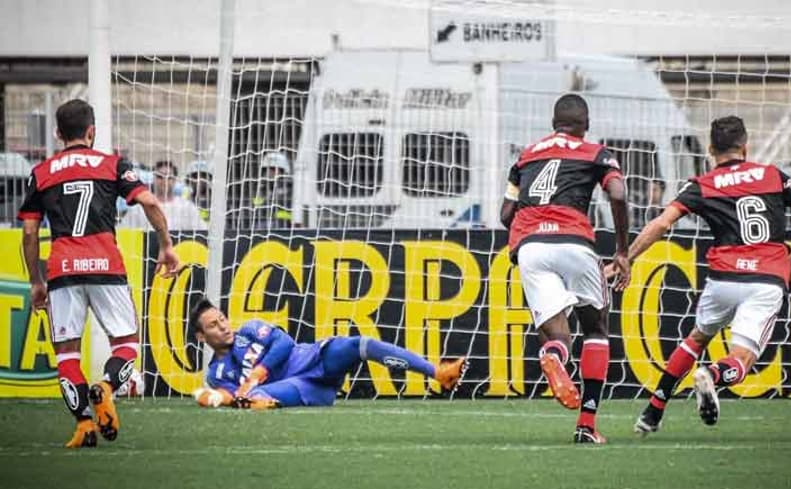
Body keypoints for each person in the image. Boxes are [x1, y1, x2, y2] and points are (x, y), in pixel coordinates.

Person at [616, 116, 791, 434]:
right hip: (765, 280)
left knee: (697, 337)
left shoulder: (702, 184)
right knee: (742, 358)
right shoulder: (774, 176)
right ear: (746, 145)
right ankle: (712, 375)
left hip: (722, 281)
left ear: (711, 149)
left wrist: (625, 257)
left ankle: (652, 412)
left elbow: (660, 224)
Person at [17, 99, 180, 448]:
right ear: (91, 131)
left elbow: (29, 234)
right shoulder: (111, 165)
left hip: (62, 270)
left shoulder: (42, 172)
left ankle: (83, 426)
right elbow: (150, 202)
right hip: (106, 265)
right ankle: (105, 387)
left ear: (58, 133)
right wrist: (166, 245)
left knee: (67, 354)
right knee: (126, 345)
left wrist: (36, 281)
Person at [500, 93, 630, 444]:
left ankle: (552, 355)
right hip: (574, 242)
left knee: (559, 337)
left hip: (530, 246)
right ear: (585, 126)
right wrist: (621, 251)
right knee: (596, 328)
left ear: (553, 124)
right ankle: (586, 425)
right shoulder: (595, 152)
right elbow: (617, 193)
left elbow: (505, 215)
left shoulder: (526, 155)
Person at [188, 299, 467, 408]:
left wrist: (257, 374)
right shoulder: (216, 372)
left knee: (361, 344)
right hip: (302, 386)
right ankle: (262, 406)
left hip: (312, 358)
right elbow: (230, 394)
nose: (223, 325)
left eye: (222, 318)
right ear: (202, 337)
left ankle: (439, 373)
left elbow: (284, 343)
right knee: (255, 398)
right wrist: (214, 397)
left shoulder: (249, 329)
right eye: (213, 325)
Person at [120, 160, 207, 231]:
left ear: (175, 180)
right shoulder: (139, 207)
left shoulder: (187, 207)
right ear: (153, 178)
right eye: (160, 177)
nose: (164, 180)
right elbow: (122, 232)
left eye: (169, 177)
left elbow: (202, 232)